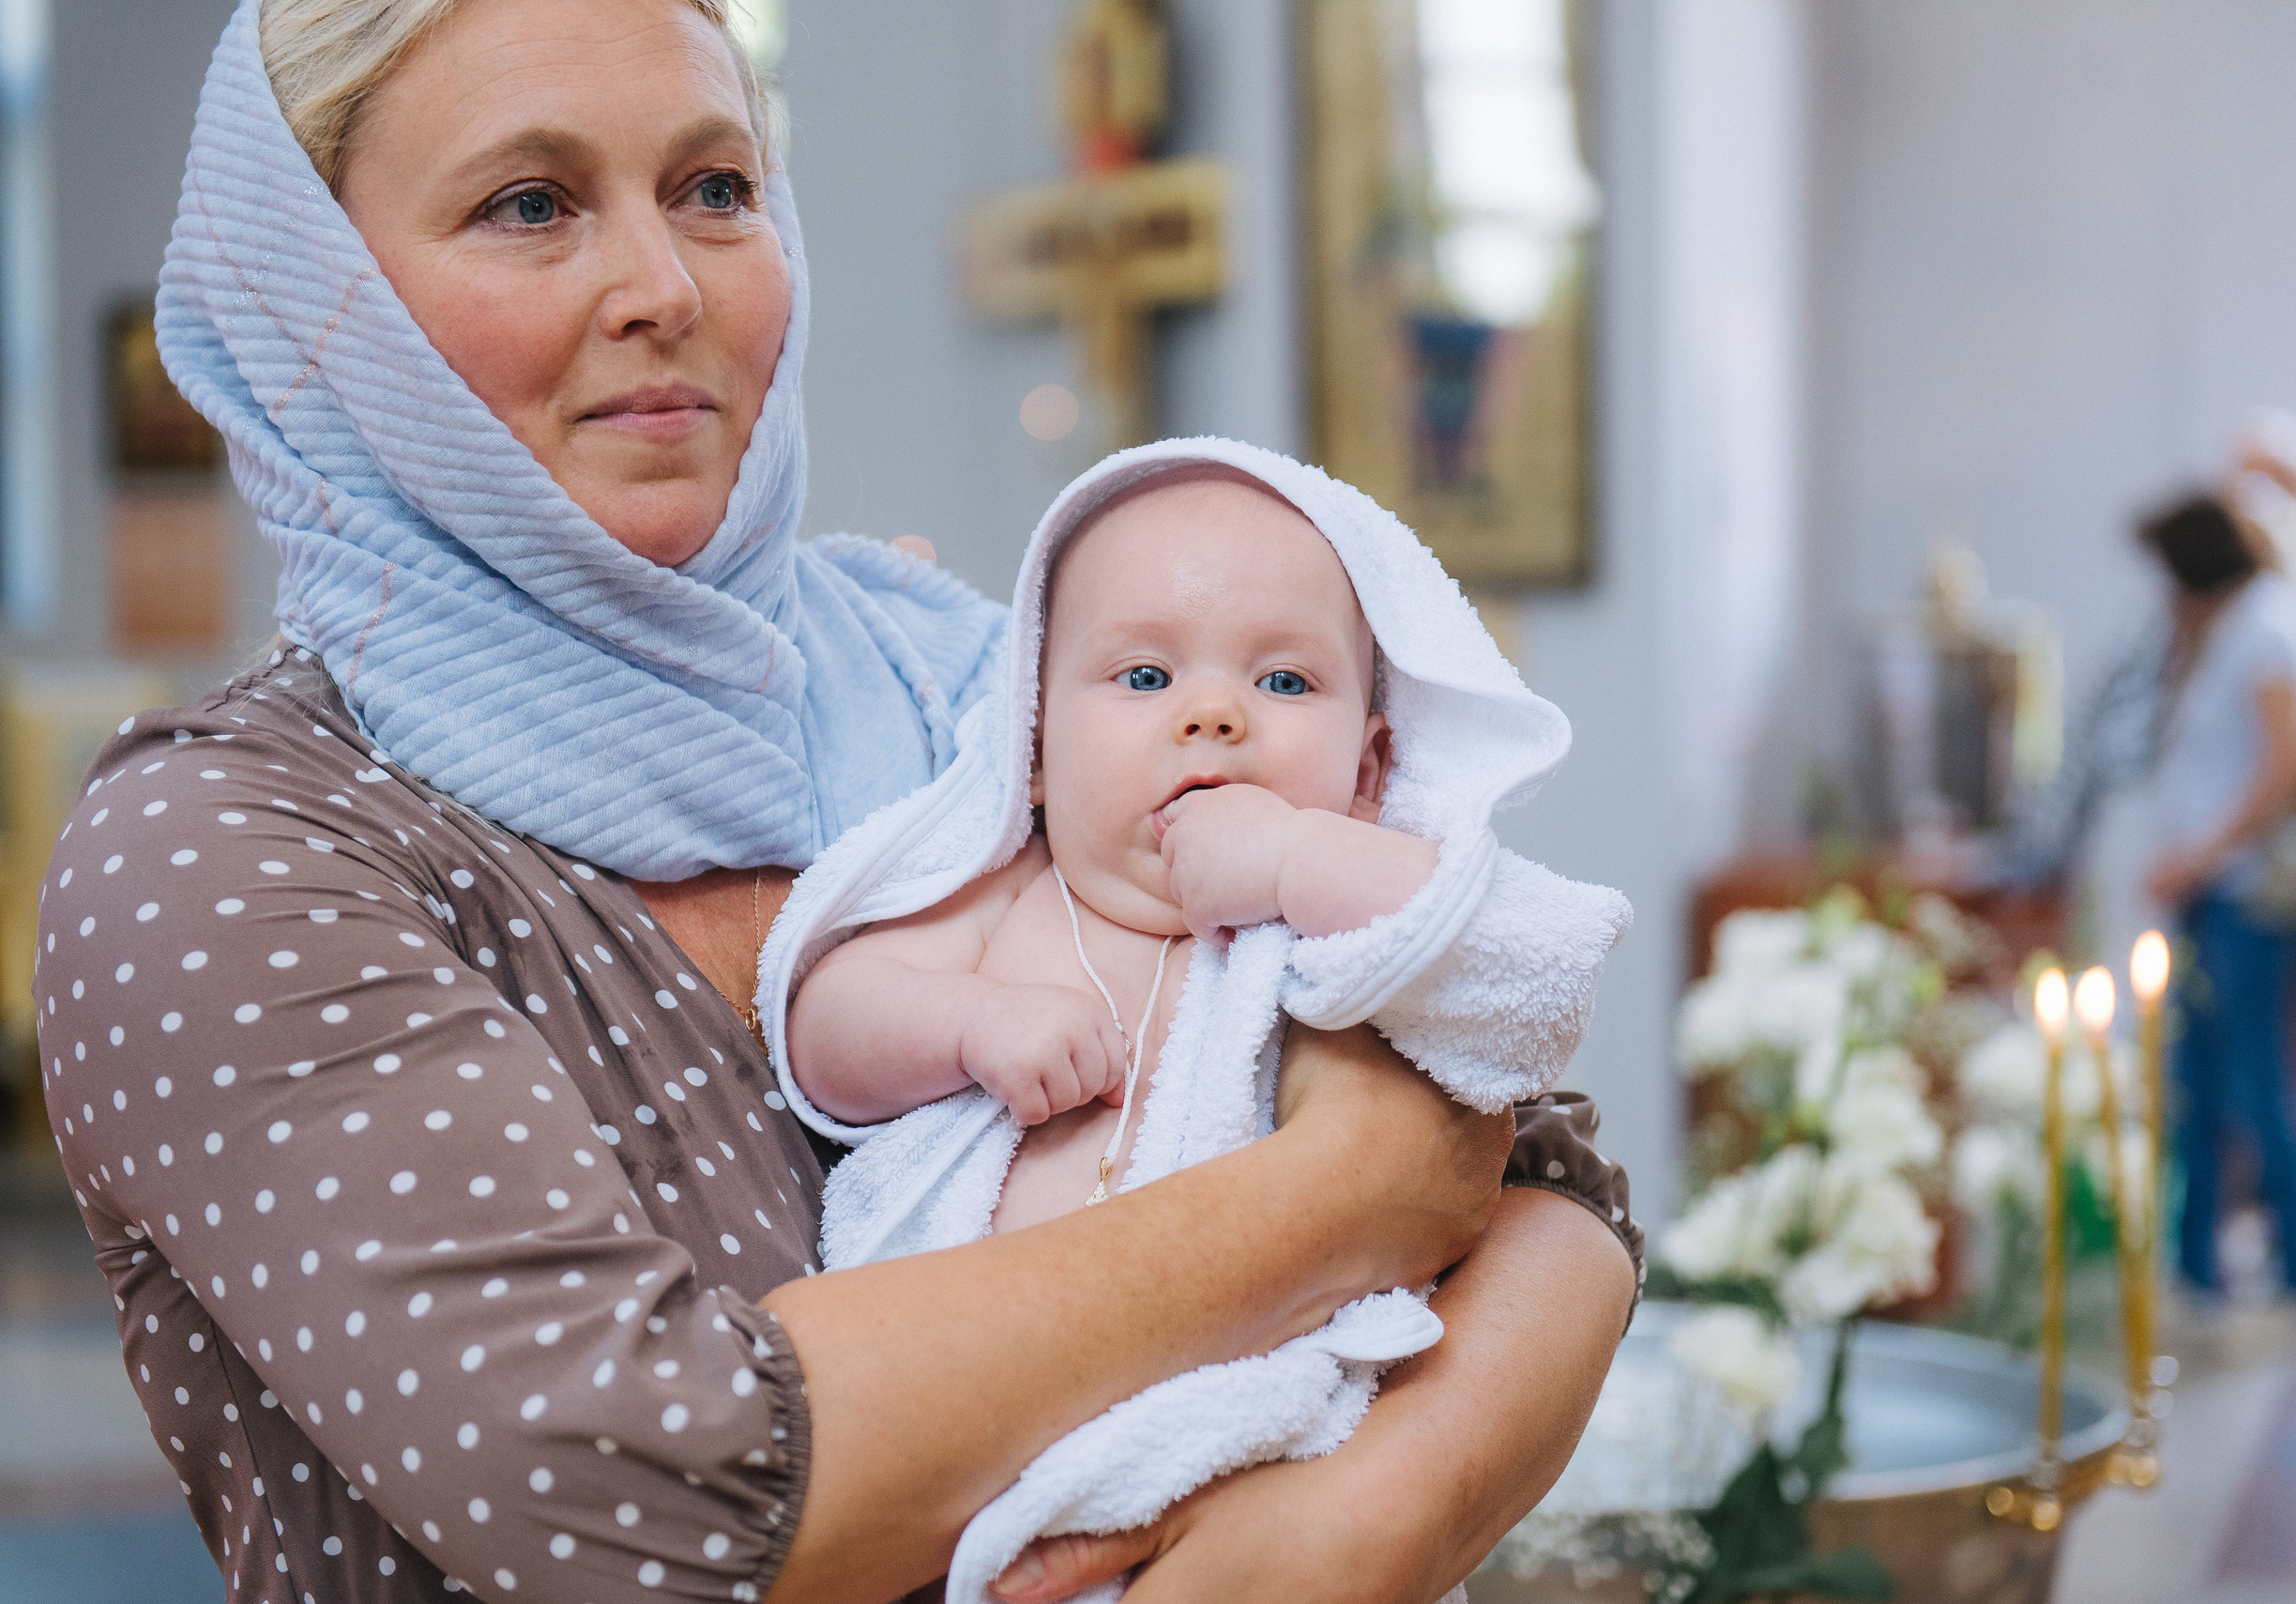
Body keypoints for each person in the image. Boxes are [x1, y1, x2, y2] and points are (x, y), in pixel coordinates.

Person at [30, 5, 1642, 1604]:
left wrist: (1367, 1523)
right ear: (316, 293)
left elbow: (1535, 1170)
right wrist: (1341, 1192)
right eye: (532, 203)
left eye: (716, 188)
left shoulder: (962, 680)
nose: (663, 287)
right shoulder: (225, 852)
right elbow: (655, 1485)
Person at [780, 446, 1631, 1596]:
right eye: (1142, 677)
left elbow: (1527, 970)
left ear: (1369, 767)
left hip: (1246, 1428)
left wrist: (1296, 857)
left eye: (1285, 683)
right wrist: (972, 1022)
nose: (1214, 715)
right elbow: (825, 1028)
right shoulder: (1008, 900)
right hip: (986, 1407)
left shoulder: (1339, 926)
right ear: (1030, 746)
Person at [2138, 493, 2296, 1300]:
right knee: (2198, 1084)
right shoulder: (2230, 626)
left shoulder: (2269, 625)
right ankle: (2195, 1271)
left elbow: (2286, 763)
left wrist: (2204, 854)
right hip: (2209, 887)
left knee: (2257, 1080)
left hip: (2242, 894)